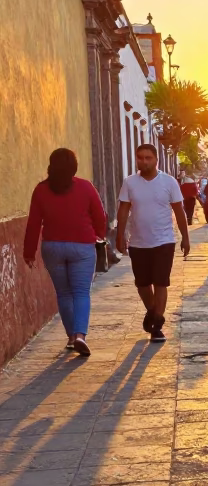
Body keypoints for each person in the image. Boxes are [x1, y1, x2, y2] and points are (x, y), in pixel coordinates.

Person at [22, 148, 106, 357]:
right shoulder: (86, 187)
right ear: (74, 167)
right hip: (82, 246)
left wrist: (29, 251)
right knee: (80, 292)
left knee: (64, 293)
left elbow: (33, 223)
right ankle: (80, 335)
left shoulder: (41, 190)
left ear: (51, 165)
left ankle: (70, 337)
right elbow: (100, 215)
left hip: (53, 247)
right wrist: (99, 234)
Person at [115, 143, 190, 342]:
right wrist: (120, 235)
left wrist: (185, 237)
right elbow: (123, 210)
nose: (144, 161)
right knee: (142, 284)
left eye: (148, 158)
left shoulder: (169, 182)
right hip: (138, 243)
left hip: (164, 241)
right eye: (140, 157)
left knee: (161, 282)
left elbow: (179, 211)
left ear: (156, 160)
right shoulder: (130, 182)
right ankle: (151, 310)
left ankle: (157, 324)